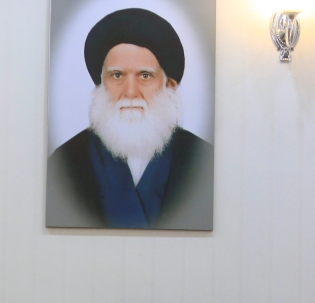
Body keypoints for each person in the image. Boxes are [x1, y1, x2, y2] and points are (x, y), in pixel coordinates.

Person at [46, 8, 214, 230]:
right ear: (101, 84)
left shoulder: (202, 159)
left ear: (169, 85)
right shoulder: (65, 162)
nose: (131, 92)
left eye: (145, 76)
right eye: (117, 75)